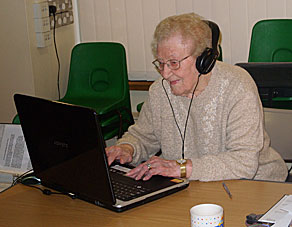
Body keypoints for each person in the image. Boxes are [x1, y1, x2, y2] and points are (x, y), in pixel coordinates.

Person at [106, 12, 288, 182]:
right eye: (160, 63)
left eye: (174, 63)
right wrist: (127, 148)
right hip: (193, 186)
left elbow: (244, 162)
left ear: (203, 59)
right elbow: (143, 136)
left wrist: (182, 168)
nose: (166, 73)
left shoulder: (236, 86)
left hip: (255, 184)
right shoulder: (159, 91)